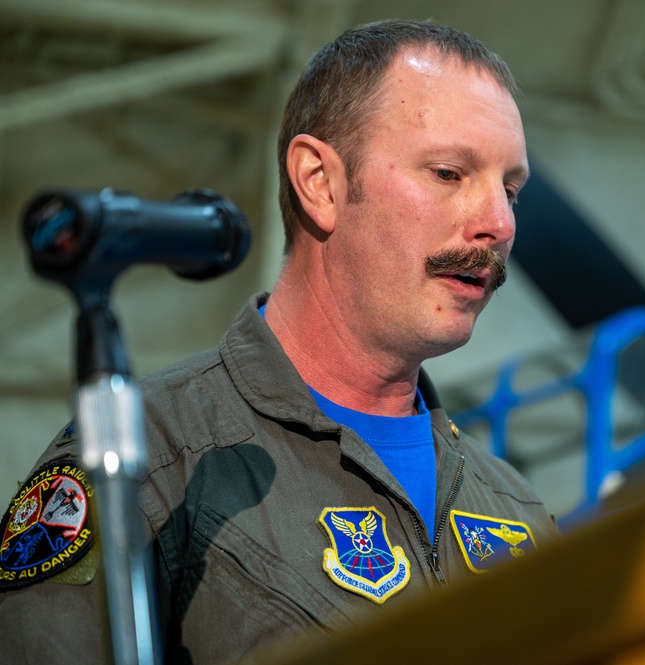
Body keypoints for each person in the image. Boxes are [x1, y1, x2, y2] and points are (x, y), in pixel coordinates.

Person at [0, 19, 557, 663]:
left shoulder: (516, 507)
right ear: (319, 182)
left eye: (511, 189)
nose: (498, 222)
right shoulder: (156, 458)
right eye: (448, 172)